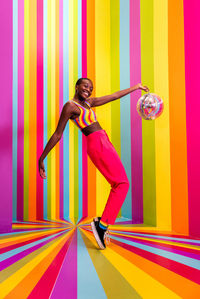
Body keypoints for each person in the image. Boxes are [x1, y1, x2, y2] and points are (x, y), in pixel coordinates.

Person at [38, 78, 149, 249]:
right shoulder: (70, 106)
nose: (88, 90)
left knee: (119, 184)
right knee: (122, 184)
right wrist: (42, 158)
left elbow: (114, 96)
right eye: (85, 86)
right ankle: (101, 226)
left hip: (103, 140)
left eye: (91, 88)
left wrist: (136, 87)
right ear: (76, 86)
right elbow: (57, 134)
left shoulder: (89, 103)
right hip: (97, 143)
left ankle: (102, 224)